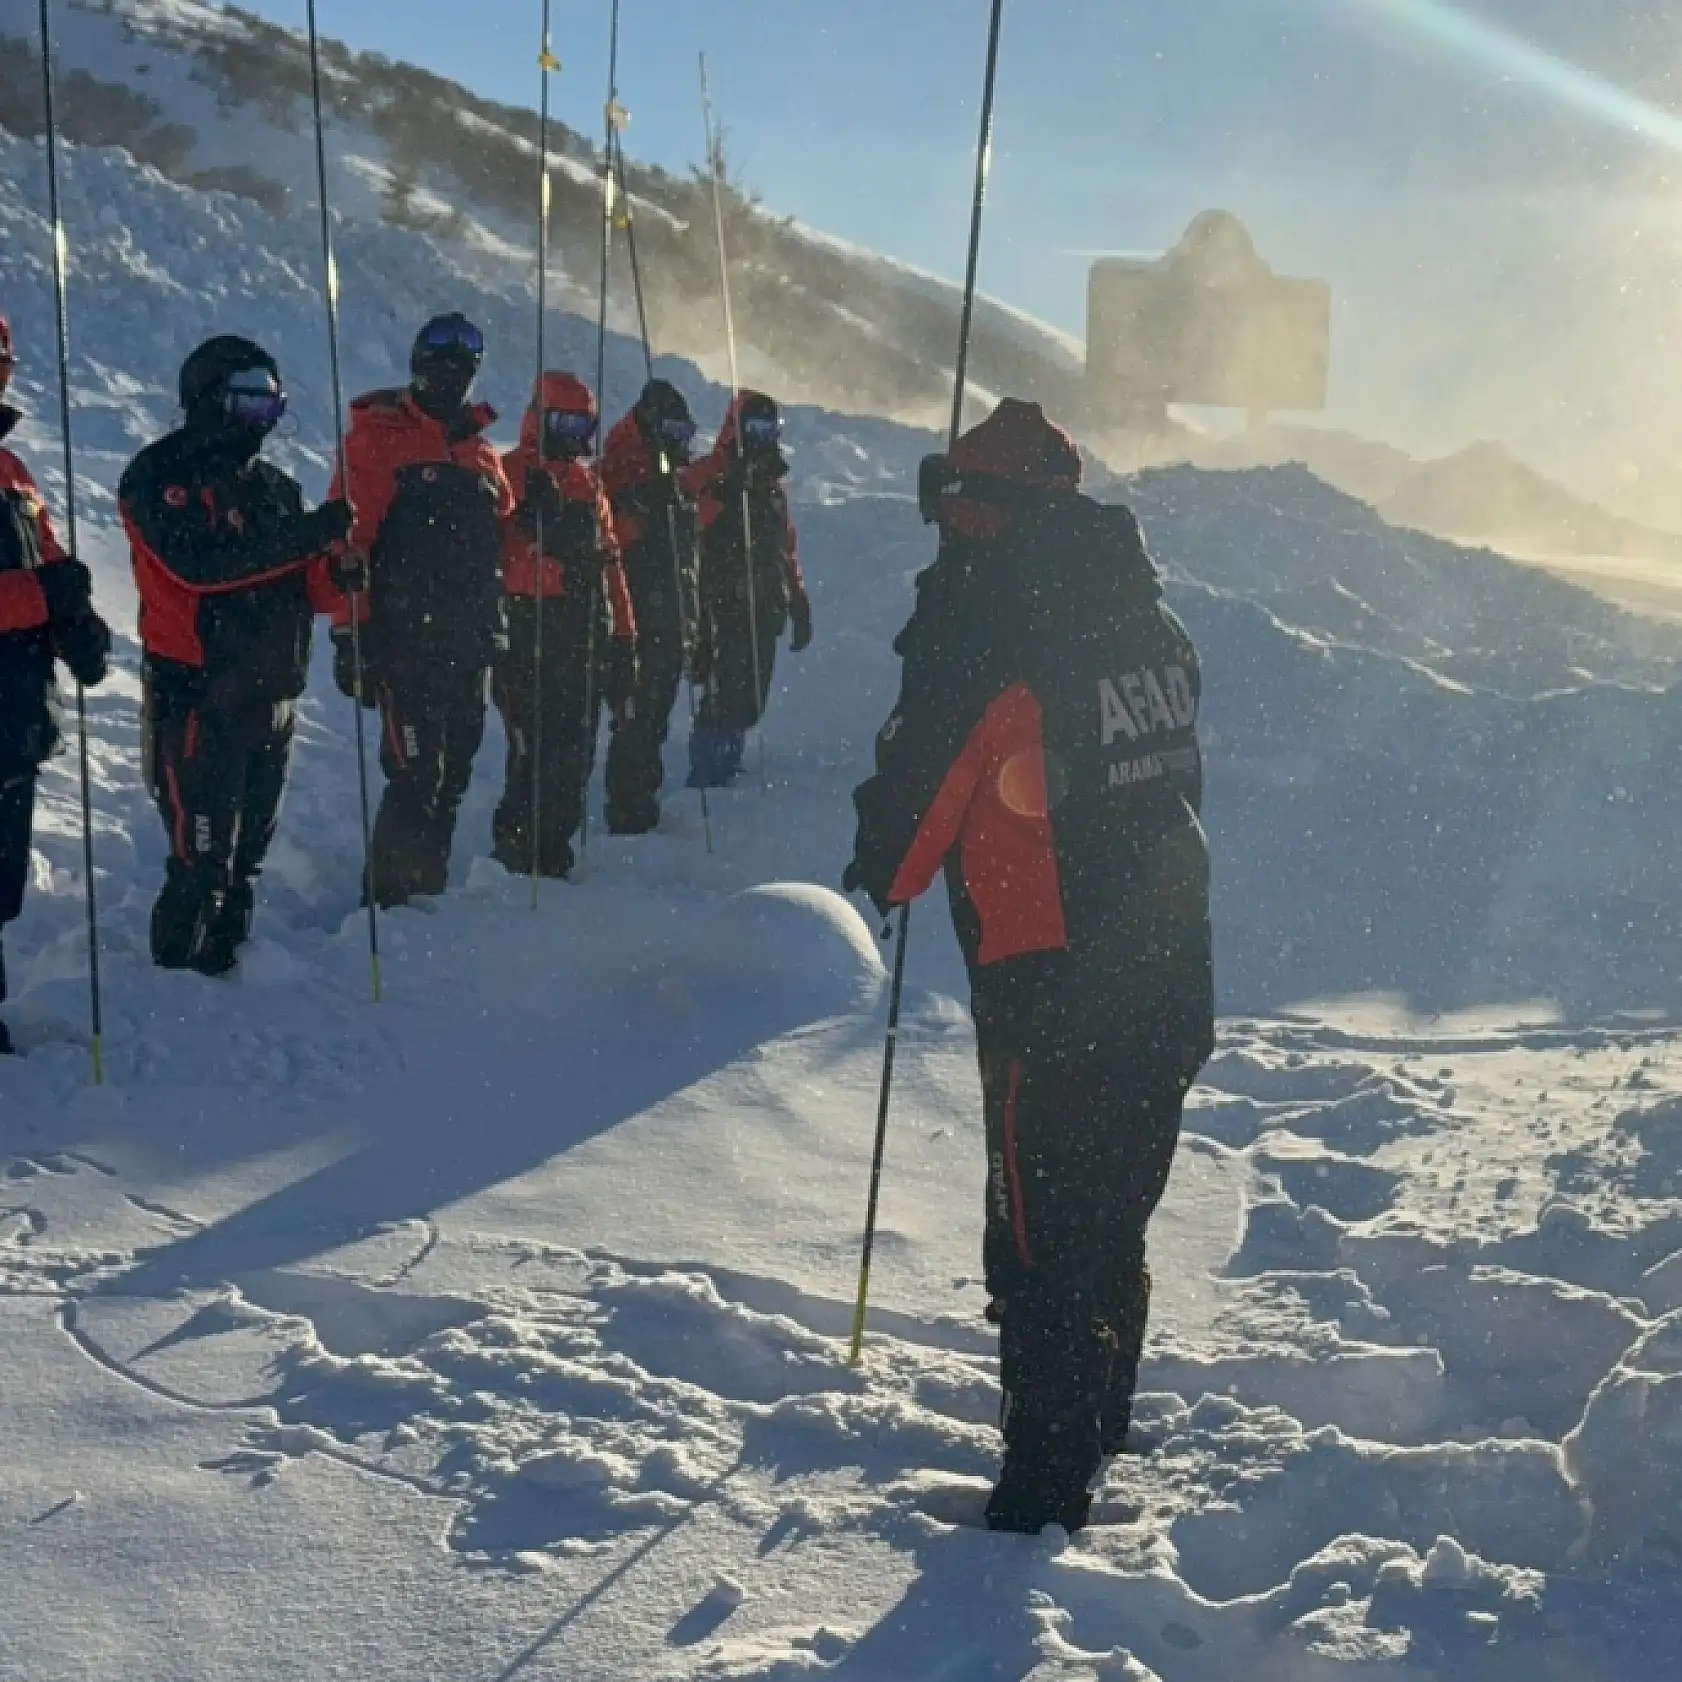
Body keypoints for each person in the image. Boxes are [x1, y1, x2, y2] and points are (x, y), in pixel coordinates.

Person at [845, 398, 1214, 1536]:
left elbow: (906, 839)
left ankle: (1041, 1494)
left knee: (1041, 1225)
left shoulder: (993, 622)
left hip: (1050, 977)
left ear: (998, 507)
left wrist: (876, 850)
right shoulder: (1145, 614)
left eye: (959, 498)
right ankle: (1098, 1416)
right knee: (1112, 1207)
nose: (945, 520)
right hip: (1167, 958)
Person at [120, 335, 351, 976]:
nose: (261, 419)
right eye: (249, 401)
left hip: (271, 692)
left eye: (271, 404)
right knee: (201, 859)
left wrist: (338, 573)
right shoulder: (159, 476)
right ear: (209, 397)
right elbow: (198, 569)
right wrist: (308, 536)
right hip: (197, 694)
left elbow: (302, 589)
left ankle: (227, 980)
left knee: (246, 860)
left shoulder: (274, 488)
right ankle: (173, 990)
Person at [329, 313, 515, 907]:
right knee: (415, 773)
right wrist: (349, 631)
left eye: (464, 360)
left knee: (454, 775)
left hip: (469, 640)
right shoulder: (378, 438)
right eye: (439, 357)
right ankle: (387, 903)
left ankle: (427, 896)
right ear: (417, 361)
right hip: (404, 640)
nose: (451, 371)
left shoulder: (482, 453)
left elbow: (506, 537)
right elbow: (348, 541)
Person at [0, 314, 111, 1049]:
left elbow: (47, 558)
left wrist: (77, 621)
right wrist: (45, 598)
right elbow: (35, 588)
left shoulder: (12, 470)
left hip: (13, 712)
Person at [491, 371, 637, 878]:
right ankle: (516, 857)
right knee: (534, 751)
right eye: (564, 424)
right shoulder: (510, 472)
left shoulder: (589, 485)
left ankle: (554, 850)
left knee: (576, 754)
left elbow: (611, 565)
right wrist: (549, 557)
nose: (574, 437)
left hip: (583, 636)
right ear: (540, 419)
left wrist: (625, 637)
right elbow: (499, 563)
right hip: (528, 631)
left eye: (583, 426)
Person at [682, 391, 811, 788]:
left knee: (752, 693)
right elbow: (684, 514)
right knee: (722, 690)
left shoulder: (772, 488)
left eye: (771, 429)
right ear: (736, 428)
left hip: (765, 603)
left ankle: (729, 759)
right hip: (720, 600)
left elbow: (786, 547)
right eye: (755, 428)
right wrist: (722, 495)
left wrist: (799, 600)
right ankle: (708, 771)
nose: (762, 437)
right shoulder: (712, 474)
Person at [600, 379, 699, 835]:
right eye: (674, 431)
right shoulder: (623, 466)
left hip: (669, 610)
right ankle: (627, 806)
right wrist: (643, 510)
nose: (681, 441)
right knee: (636, 714)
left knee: (655, 714)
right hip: (638, 612)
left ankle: (641, 796)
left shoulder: (670, 472)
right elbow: (613, 541)